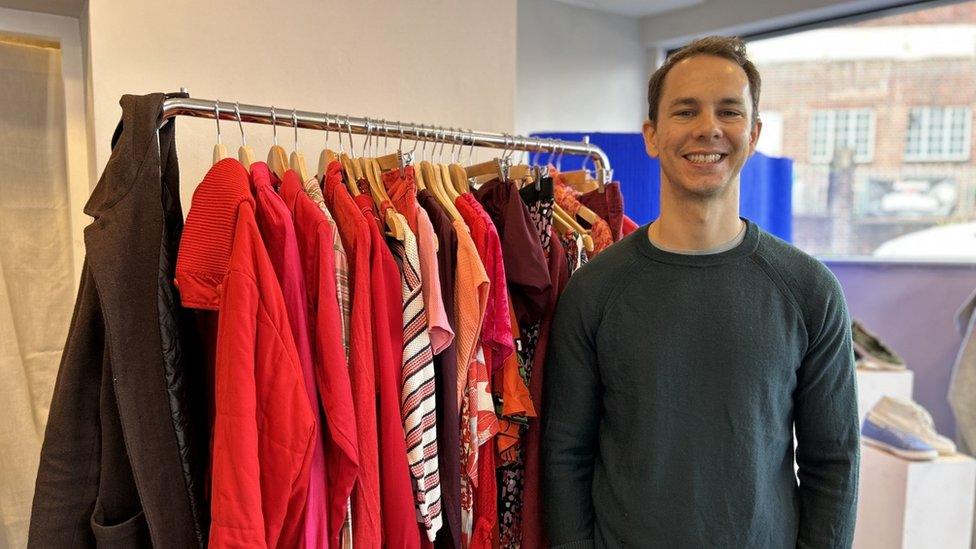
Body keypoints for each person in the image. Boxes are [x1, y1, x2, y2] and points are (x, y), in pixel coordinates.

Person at [541, 36, 859, 548]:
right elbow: (564, 456)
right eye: (686, 111)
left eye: (729, 111)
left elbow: (834, 460)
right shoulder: (594, 290)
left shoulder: (809, 291)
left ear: (753, 135)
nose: (708, 128)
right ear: (652, 134)